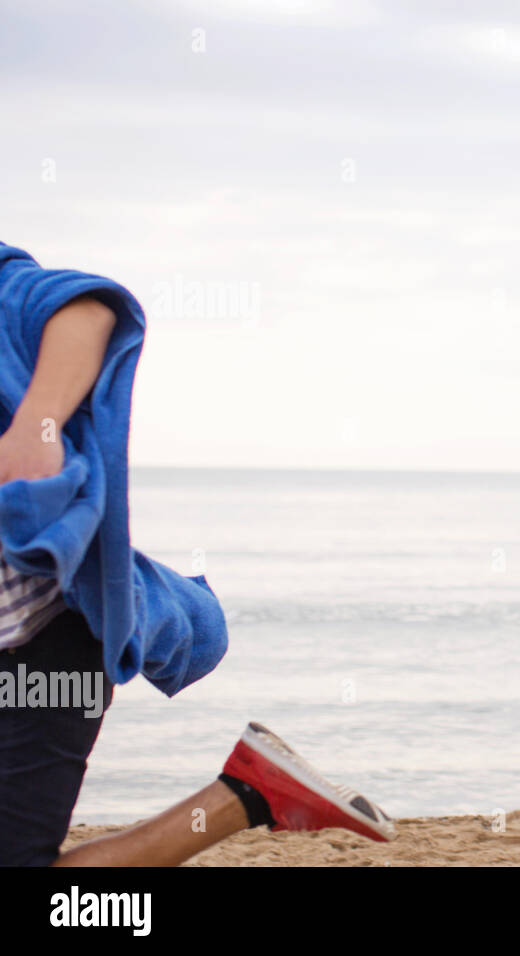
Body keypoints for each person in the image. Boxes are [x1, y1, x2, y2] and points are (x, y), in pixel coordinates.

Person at [0, 242, 394, 865]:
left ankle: (246, 795)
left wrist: (37, 425)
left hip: (44, 644)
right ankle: (252, 791)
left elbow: (84, 306)